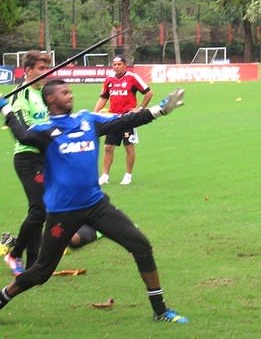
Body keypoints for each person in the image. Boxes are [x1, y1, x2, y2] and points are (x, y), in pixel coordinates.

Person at [0, 79, 188, 324]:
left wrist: (159, 110)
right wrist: (5, 108)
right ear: (50, 99)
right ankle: (3, 297)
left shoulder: (87, 119)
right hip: (62, 212)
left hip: (96, 205)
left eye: (70, 91)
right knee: (41, 272)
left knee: (141, 245)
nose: (70, 95)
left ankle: (160, 311)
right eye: (64, 92)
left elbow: (124, 121)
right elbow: (22, 135)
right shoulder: (44, 130)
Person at [3, 51, 51, 276]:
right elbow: (24, 134)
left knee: (42, 209)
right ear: (27, 70)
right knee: (39, 209)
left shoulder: (44, 94)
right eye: (40, 69)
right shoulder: (20, 96)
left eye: (46, 68)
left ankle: (34, 262)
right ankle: (14, 254)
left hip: (44, 157)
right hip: (27, 158)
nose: (45, 73)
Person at [94, 55, 153, 185]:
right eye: (114, 64)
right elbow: (103, 97)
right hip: (113, 118)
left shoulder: (132, 78)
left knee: (128, 147)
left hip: (128, 119)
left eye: (119, 64)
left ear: (125, 65)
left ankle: (128, 175)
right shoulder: (109, 80)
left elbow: (149, 92)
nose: (116, 67)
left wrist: (140, 108)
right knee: (108, 147)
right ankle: (104, 176)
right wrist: (95, 113)